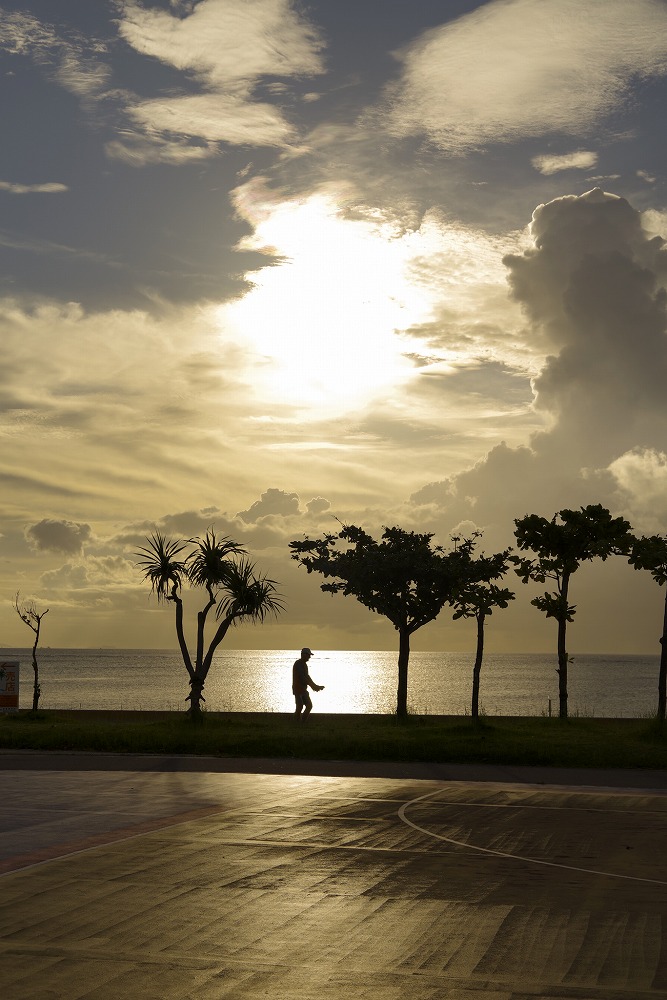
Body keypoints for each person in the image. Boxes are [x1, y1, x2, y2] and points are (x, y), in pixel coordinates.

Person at [292, 647, 324, 719]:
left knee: (308, 706)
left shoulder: (304, 664)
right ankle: (297, 722)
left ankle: (302, 722)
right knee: (300, 706)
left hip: (303, 689)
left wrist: (315, 686)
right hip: (298, 689)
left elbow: (307, 677)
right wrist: (314, 686)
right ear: (304, 655)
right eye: (308, 655)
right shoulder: (298, 664)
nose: (309, 657)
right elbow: (303, 678)